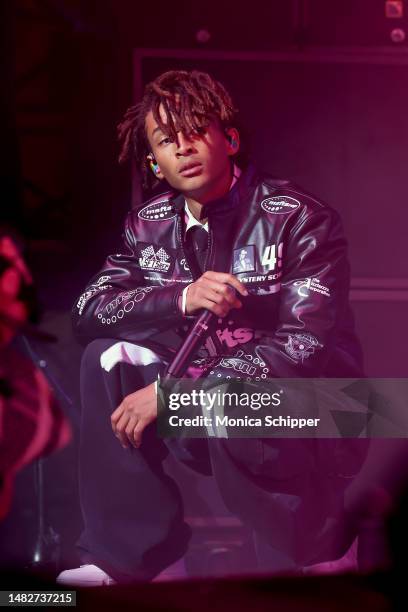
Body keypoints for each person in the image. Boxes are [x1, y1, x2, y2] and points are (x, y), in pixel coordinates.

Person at [57, 70, 364, 586]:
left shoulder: (299, 219)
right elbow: (88, 310)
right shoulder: (148, 224)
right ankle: (134, 558)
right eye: (166, 141)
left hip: (323, 411)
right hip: (207, 404)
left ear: (231, 139)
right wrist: (178, 297)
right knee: (107, 358)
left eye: (195, 130)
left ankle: (317, 551)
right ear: (154, 162)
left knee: (236, 404)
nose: (183, 148)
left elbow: (303, 347)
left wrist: (175, 396)